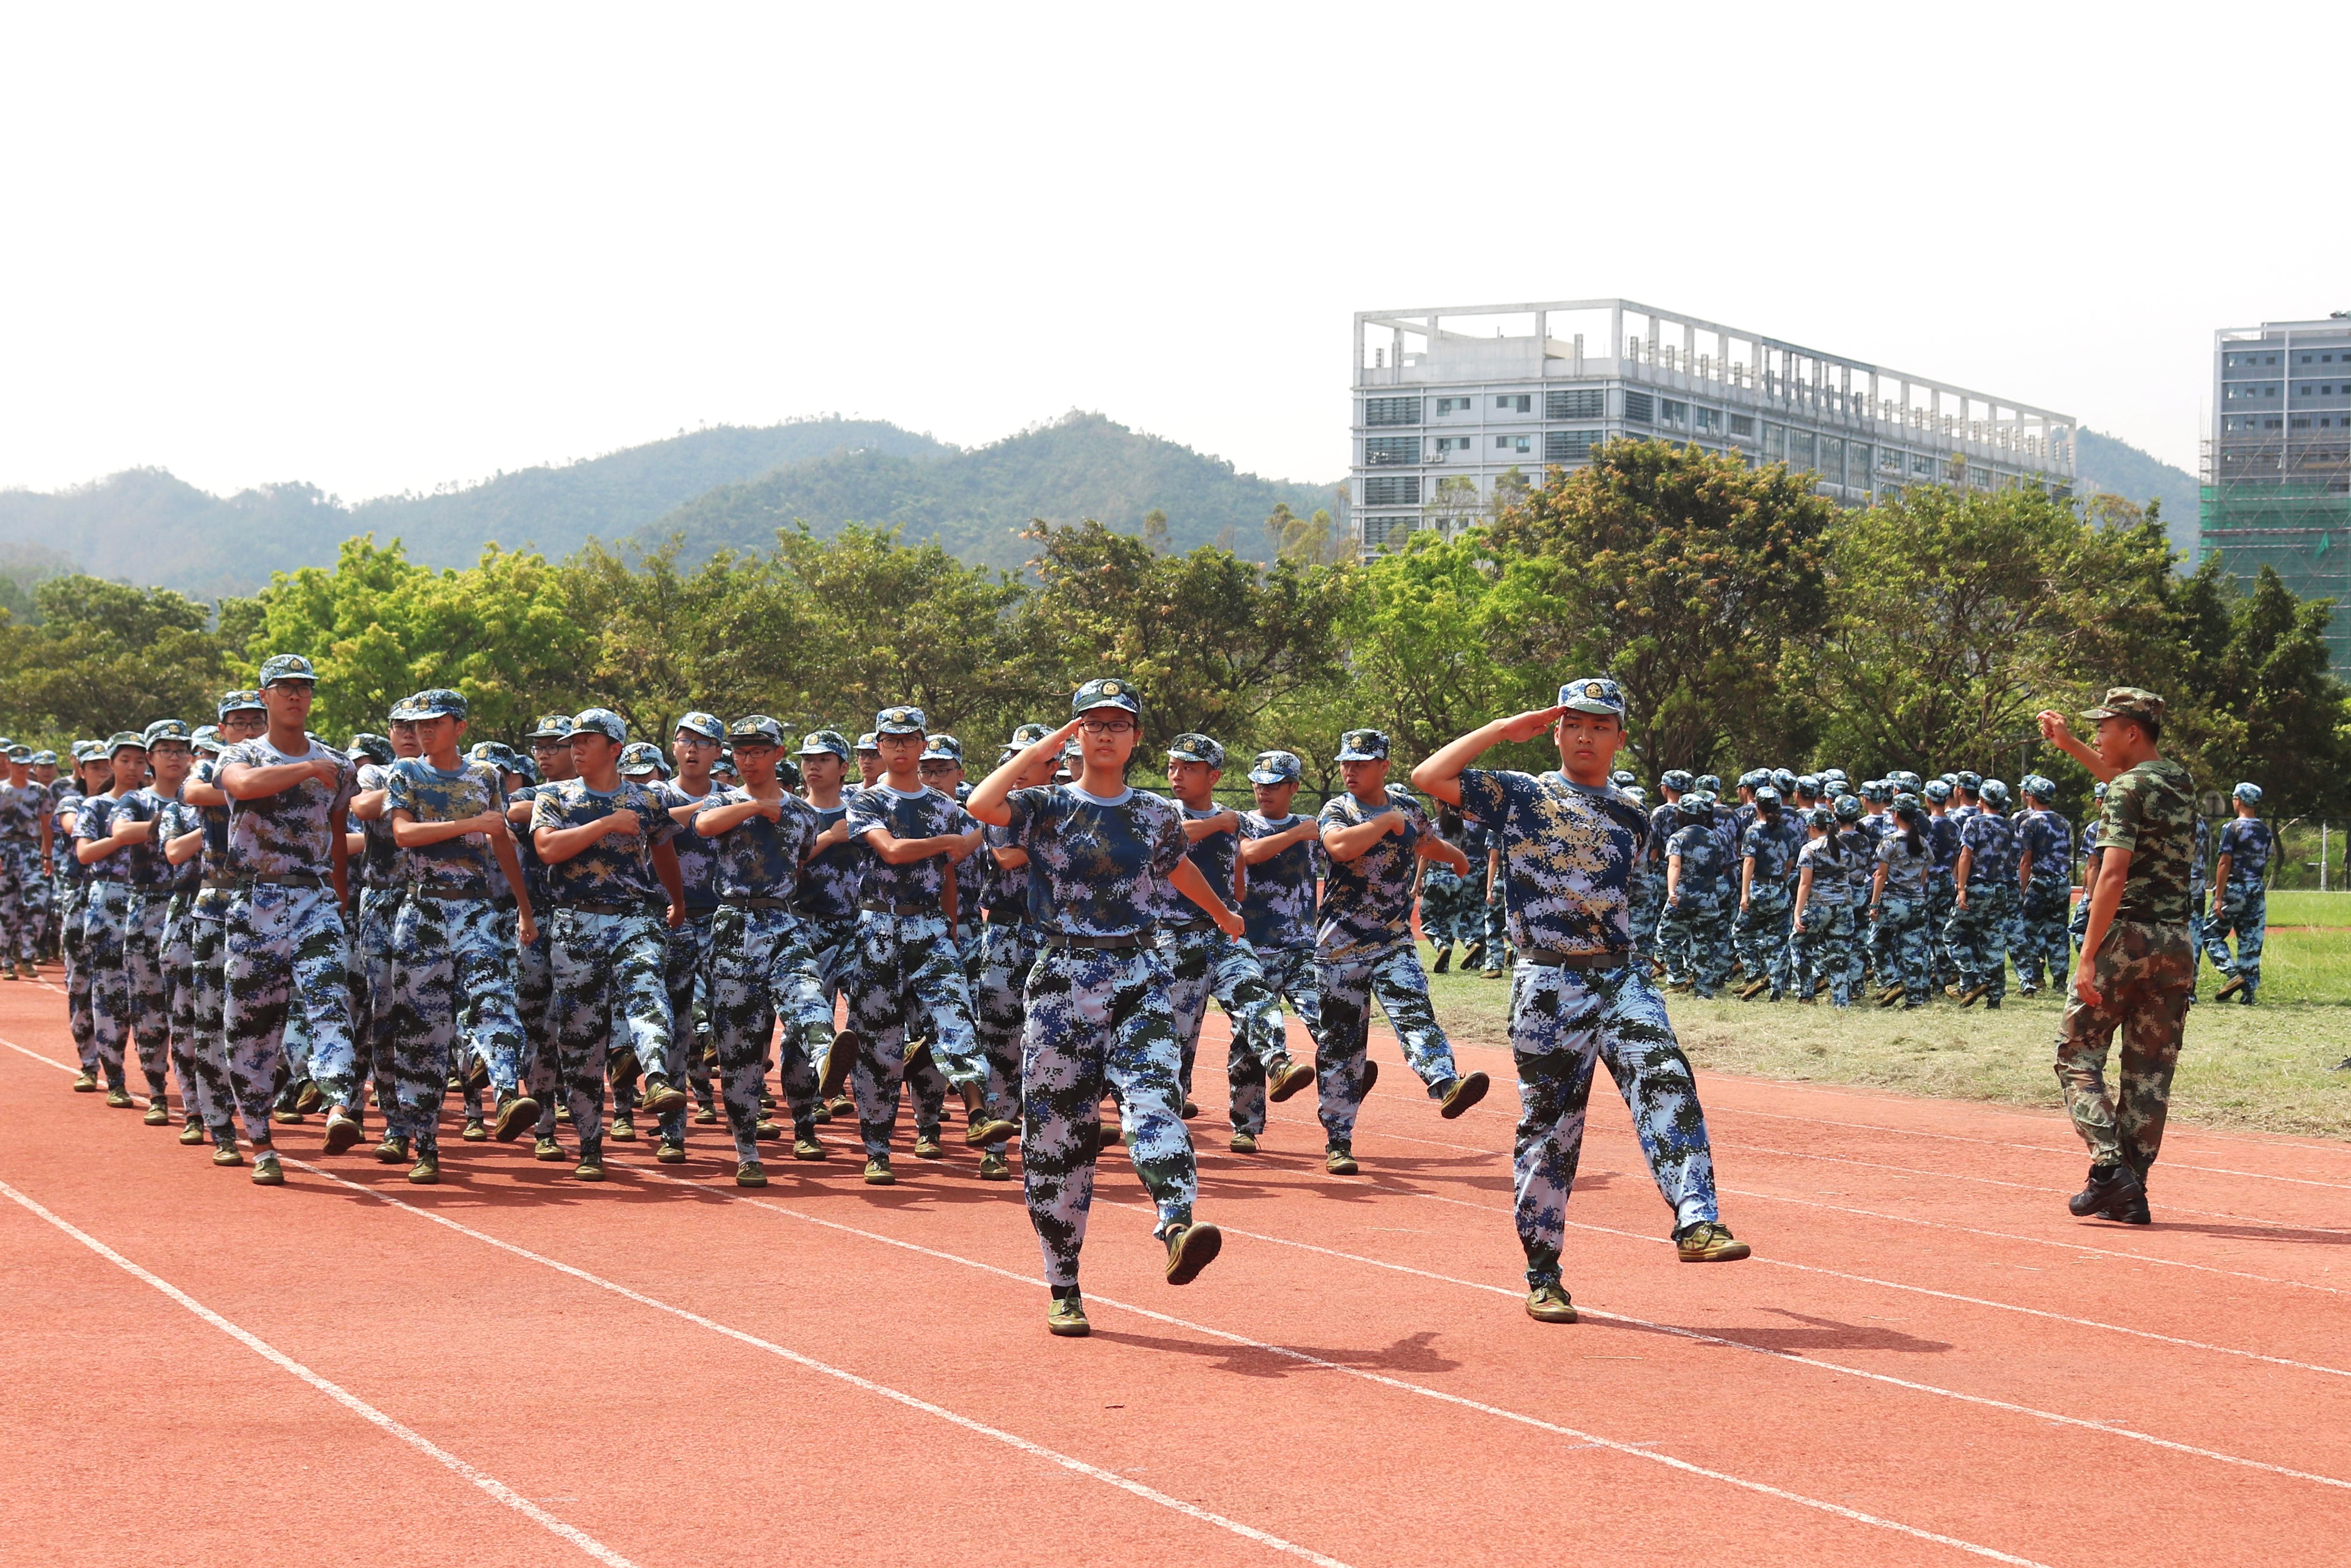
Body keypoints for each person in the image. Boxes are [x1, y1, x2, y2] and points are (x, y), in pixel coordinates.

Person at [1414, 680, 1748, 1325]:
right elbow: (1431, 775)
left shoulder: (1634, 815)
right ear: (1559, 732)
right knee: (1551, 1133)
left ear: (1621, 738)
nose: (1586, 737)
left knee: (1666, 1074)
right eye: (1574, 725)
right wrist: (1508, 726)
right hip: (1546, 986)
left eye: (1601, 726)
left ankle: (1696, 1220)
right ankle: (1544, 1273)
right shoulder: (1521, 794)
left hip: (1620, 978)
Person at [965, 678, 1232, 1337]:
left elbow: (1173, 869)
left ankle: (1176, 1219)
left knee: (1154, 1093)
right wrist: (1052, 741)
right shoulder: (1045, 805)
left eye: (1120, 723)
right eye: (1094, 722)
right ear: (1078, 732)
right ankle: (1064, 1282)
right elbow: (980, 802)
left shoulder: (1155, 812)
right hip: (1062, 976)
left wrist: (1223, 913)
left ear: (1138, 737)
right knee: (1057, 1140)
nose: (1106, 733)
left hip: (1139, 968)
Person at [2035, 689, 2195, 1225]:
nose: (2099, 735)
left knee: (2076, 1054)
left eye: (2105, 727)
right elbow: (2119, 778)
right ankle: (2133, 1193)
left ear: (2132, 732)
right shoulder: (2177, 780)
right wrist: (2069, 743)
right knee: (2149, 1073)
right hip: (2175, 942)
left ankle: (2109, 1168)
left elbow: (2112, 872)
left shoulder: (2126, 788)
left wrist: (2086, 956)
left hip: (2125, 939)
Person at [840, 705, 1018, 1185]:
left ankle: (977, 1112)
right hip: (878, 928)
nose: (899, 747)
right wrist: (946, 842)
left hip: (930, 927)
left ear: (922, 745)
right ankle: (877, 1148)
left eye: (908, 739)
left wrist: (954, 843)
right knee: (879, 1044)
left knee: (956, 1017)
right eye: (890, 740)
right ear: (879, 747)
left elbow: (971, 842)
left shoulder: (946, 806)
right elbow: (892, 852)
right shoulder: (865, 801)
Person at [1312, 728, 1485, 1176]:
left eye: (1361, 763)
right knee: (1341, 1044)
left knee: (1413, 1008)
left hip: (1391, 941)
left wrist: (1458, 859)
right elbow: (1338, 846)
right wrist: (1384, 823)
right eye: (1345, 763)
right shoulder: (1337, 809)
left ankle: (1444, 1081)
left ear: (1383, 767)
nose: (1350, 770)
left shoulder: (1408, 808)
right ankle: (1338, 1139)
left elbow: (1425, 842)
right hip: (1339, 948)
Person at [383, 689, 539, 1182]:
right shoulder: (406, 772)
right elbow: (404, 835)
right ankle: (425, 1142)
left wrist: (524, 907)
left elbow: (501, 844)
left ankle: (506, 1092)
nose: (423, 731)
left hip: (475, 906)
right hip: (423, 908)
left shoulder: (485, 776)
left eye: (435, 722)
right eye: (417, 724)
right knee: (422, 1031)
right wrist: (472, 822)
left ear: (460, 727)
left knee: (494, 1000)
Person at [216, 655, 359, 1186]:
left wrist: (340, 900)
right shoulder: (241, 753)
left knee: (329, 995)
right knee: (253, 1026)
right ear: (265, 696)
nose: (296, 695)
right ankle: (260, 1141)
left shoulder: (338, 764)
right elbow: (246, 786)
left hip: (315, 897)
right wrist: (304, 770)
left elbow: (339, 833)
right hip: (256, 903)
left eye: (304, 687)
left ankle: (341, 1100)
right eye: (285, 687)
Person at [530, 707, 689, 1182]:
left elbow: (664, 850)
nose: (574, 748)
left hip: (634, 916)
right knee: (581, 1037)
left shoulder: (646, 799)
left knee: (646, 989)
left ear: (615, 748)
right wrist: (604, 825)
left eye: (586, 741)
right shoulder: (554, 795)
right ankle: (589, 1142)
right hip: (575, 923)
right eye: (571, 742)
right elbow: (547, 850)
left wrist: (676, 902)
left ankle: (656, 1077)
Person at [695, 716, 844, 1187]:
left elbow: (801, 859)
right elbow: (703, 825)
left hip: (781, 917)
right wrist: (755, 808)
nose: (747, 758)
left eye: (758, 750)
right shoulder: (724, 800)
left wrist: (773, 809)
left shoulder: (802, 812)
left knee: (806, 991)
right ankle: (747, 1149)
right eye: (740, 751)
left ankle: (825, 1056)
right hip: (732, 924)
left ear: (778, 754)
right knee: (739, 1046)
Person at [1155, 733, 1312, 1135]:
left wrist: (1233, 907)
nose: (1177, 775)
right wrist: (1215, 824)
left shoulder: (1233, 820)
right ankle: (1164, 1116)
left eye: (1189, 768)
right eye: (1173, 767)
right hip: (1175, 939)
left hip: (1223, 934)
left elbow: (1237, 875)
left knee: (1254, 994)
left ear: (1214, 776)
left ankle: (1277, 1061)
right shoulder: (1161, 811)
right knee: (1176, 1039)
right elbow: (1169, 840)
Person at [1234, 749, 1328, 1152]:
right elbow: (1248, 854)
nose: (1263, 790)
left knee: (1328, 1022)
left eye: (1273, 785)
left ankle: (1347, 1077)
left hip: (1303, 948)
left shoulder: (1314, 829)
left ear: (1293, 787)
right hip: (1255, 947)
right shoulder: (1243, 823)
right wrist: (1297, 834)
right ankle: (1245, 1125)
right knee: (1248, 1041)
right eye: (1258, 782)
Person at [74, 732, 157, 1110]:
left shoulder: (153, 802)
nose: (133, 768)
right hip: (108, 899)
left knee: (150, 994)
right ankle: (115, 1077)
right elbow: (86, 853)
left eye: (140, 761)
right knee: (109, 993)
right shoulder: (95, 806)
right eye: (125, 760)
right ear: (111, 764)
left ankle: (157, 1078)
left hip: (151, 900)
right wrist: (126, 836)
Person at [792, 729, 866, 1122]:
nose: (813, 766)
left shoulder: (860, 808)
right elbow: (781, 868)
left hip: (856, 927)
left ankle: (850, 1092)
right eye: (808, 760)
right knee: (811, 1016)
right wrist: (827, 837)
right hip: (808, 927)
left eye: (822, 759)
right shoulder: (794, 811)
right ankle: (809, 1104)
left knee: (869, 1013)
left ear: (843, 767)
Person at [1947, 778, 2020, 1008]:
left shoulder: (1974, 822)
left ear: (1982, 799)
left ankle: (1969, 980)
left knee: (1954, 935)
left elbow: (1966, 856)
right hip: (2001, 889)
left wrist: (1961, 888)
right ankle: (1995, 995)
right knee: (1994, 941)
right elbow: (2014, 858)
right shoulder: (2010, 826)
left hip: (1977, 886)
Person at [1656, 792, 1731, 997]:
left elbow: (1674, 865)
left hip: (1683, 898)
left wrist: (1671, 891)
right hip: (1708, 899)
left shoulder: (1678, 838)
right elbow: (1721, 866)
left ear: (1682, 815)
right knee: (1703, 943)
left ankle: (1678, 978)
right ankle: (1704, 990)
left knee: (1668, 936)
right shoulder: (1714, 837)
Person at [2205, 783, 2273, 1005]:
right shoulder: (2265, 830)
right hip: (2256, 889)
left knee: (2211, 935)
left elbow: (2225, 862)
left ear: (2238, 801)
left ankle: (2234, 975)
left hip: (2234, 888)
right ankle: (2249, 995)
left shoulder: (2231, 828)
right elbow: (2266, 857)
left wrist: (2218, 897)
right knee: (2251, 941)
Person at [1733, 786, 1798, 1001]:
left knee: (1741, 933)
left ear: (1757, 806)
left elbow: (1749, 862)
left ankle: (1755, 973)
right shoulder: (1787, 832)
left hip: (1759, 889)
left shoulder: (1753, 831)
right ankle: (1776, 986)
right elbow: (1790, 863)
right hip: (1780, 890)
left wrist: (1744, 894)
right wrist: (1782, 880)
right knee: (1778, 942)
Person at [1869, 796, 1934, 1008]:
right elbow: (1924, 877)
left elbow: (1880, 875)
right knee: (1913, 951)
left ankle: (1892, 980)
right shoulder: (1923, 843)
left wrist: (1874, 904)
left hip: (1894, 902)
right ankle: (1915, 998)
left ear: (1896, 815)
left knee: (1876, 943)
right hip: (1917, 903)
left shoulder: (1890, 842)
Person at [1790, 806, 1857, 1006]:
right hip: (1844, 907)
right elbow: (1851, 873)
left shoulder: (1809, 849)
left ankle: (1806, 993)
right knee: (1839, 955)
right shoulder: (1844, 848)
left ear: (1811, 827)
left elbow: (1805, 883)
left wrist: (1797, 913)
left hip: (1819, 906)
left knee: (1799, 945)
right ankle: (1841, 1001)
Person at [2014, 776, 2074, 998]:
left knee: (2030, 929)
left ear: (2031, 796)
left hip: (2039, 882)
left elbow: (2026, 860)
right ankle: (2060, 981)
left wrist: (2021, 890)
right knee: (2058, 932)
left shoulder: (2029, 823)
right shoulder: (2063, 822)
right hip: (2062, 882)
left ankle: (2035, 976)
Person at [0, 743, 53, 979]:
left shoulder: (40, 791)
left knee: (39, 902)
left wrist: (47, 856)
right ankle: (7, 960)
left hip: (30, 850)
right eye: (17, 763)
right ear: (8, 764)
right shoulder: (1, 790)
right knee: (7, 909)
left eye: (25, 764)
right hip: (4, 849)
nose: (22, 768)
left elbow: (46, 824)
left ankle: (28, 954)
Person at [1420, 808, 1473, 973]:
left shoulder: (1434, 826)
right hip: (1456, 878)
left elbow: (1425, 856)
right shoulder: (1461, 829)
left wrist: (1416, 883)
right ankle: (1445, 963)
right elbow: (1462, 856)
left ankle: (1440, 945)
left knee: (1427, 918)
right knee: (1451, 921)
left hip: (1436, 877)